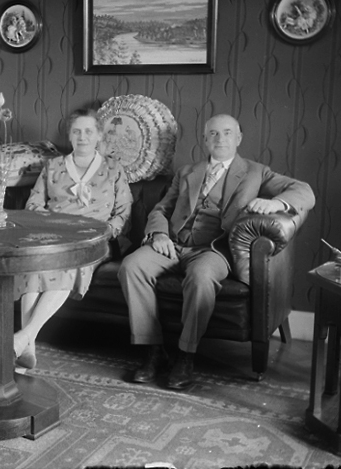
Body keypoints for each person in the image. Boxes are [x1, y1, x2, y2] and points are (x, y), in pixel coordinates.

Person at [118, 114, 315, 390]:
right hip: (173, 244)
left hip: (213, 250)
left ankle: (185, 355)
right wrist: (159, 234)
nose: (220, 139)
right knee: (131, 266)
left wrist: (277, 203)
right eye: (213, 133)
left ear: (239, 138)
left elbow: (304, 191)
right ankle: (153, 350)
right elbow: (162, 209)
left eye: (227, 133)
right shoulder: (187, 172)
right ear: (204, 139)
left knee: (201, 277)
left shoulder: (256, 172)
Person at [13, 108, 133, 369]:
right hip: (54, 237)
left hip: (94, 241)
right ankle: (27, 348)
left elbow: (123, 213)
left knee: (70, 263)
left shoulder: (114, 168)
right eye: (77, 131)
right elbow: (34, 204)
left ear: (99, 135)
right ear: (69, 136)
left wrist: (105, 231)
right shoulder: (54, 166)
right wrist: (51, 227)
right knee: (31, 267)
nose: (82, 137)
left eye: (89, 131)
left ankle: (24, 336)